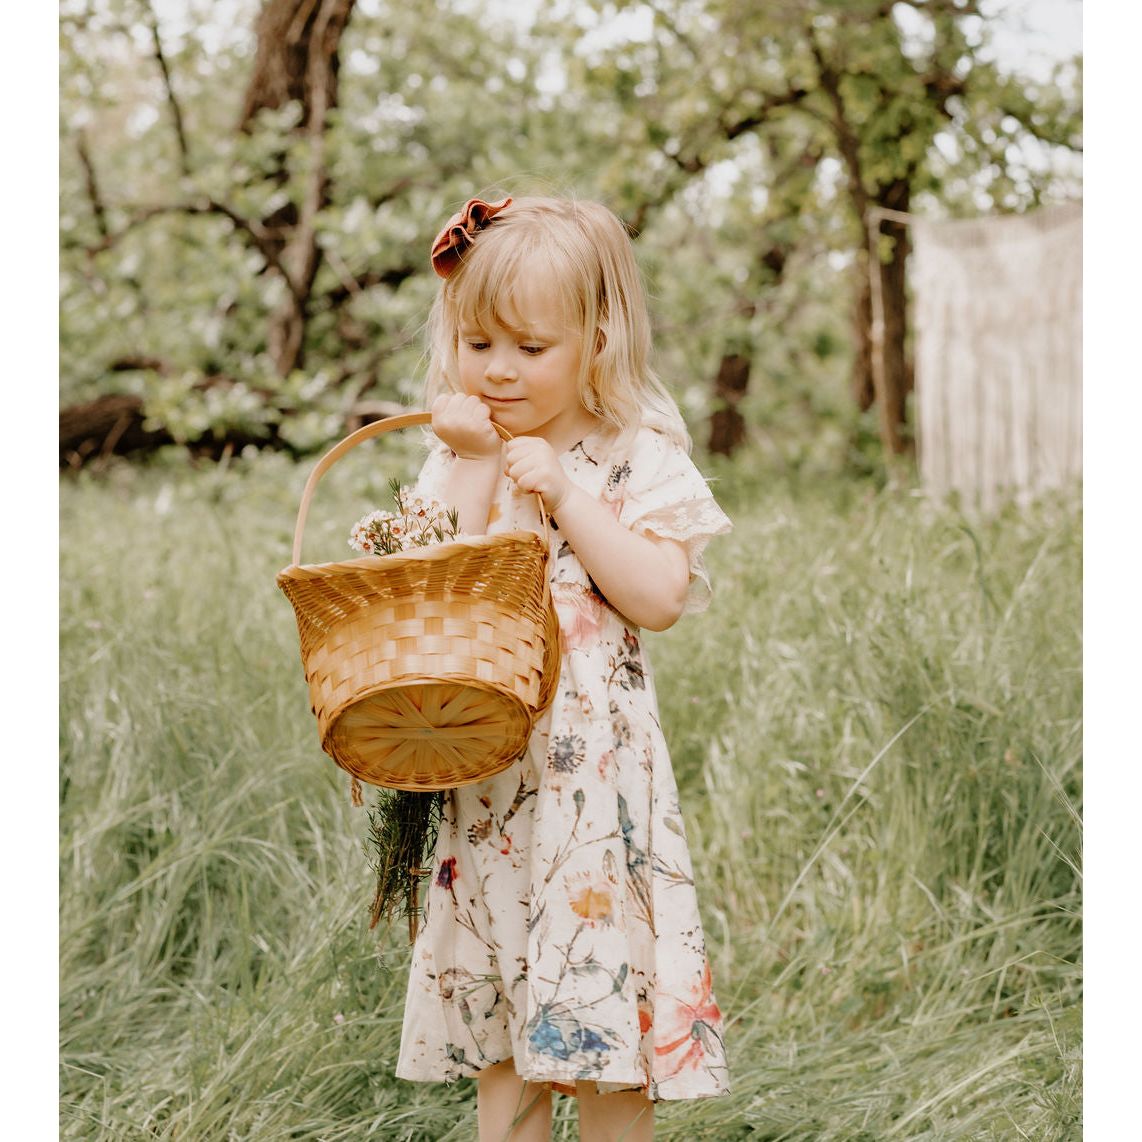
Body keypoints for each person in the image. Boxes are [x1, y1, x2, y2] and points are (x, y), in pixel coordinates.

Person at [395, 194, 733, 1141]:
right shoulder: (458, 452)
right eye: (477, 344)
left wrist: (570, 497)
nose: (498, 371)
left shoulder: (635, 454)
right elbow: (435, 595)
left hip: (598, 789)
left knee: (603, 1017)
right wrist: (473, 468)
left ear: (597, 337)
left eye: (530, 348)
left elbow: (659, 598)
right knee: (504, 1034)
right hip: (494, 780)